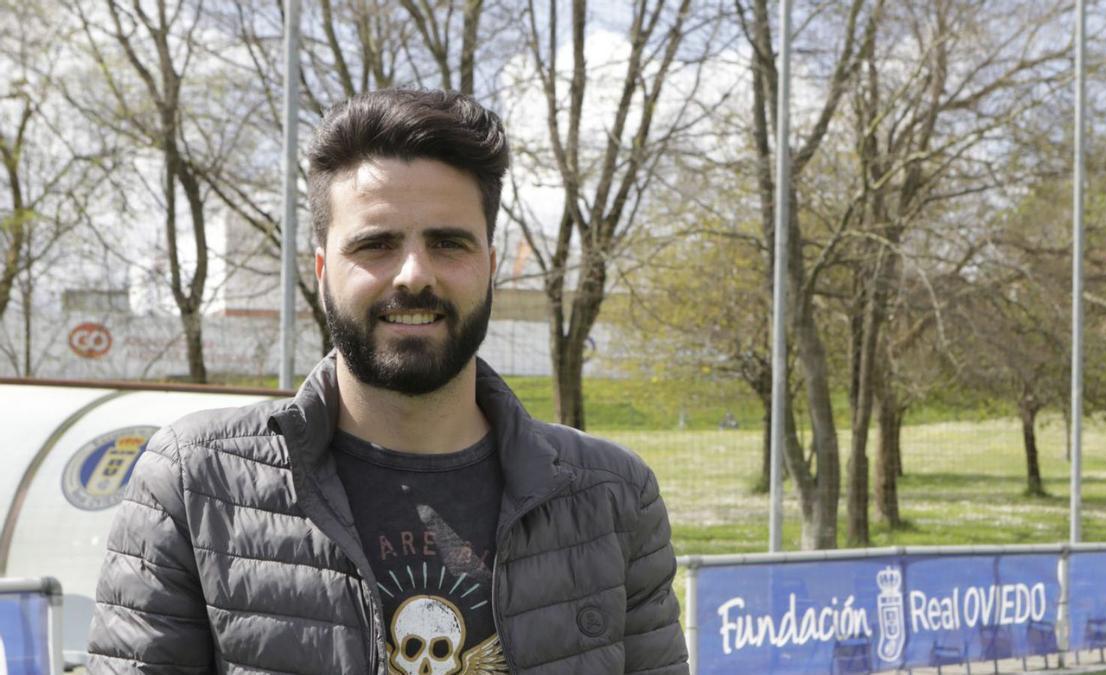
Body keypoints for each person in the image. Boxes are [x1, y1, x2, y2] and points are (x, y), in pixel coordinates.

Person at [87, 88, 688, 674]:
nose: (414, 274)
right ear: (323, 270)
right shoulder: (196, 485)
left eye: (448, 243)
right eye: (376, 244)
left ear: (490, 265)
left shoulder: (612, 498)